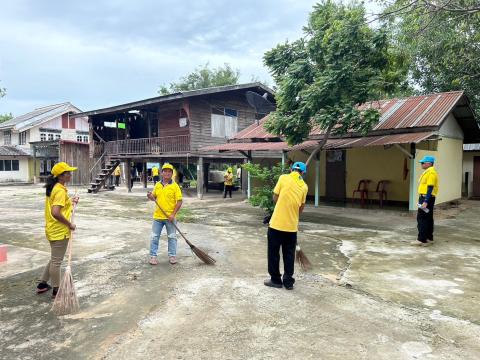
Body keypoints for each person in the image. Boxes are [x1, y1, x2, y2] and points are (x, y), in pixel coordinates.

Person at [36, 162, 79, 299]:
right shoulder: (60, 190)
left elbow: (58, 205)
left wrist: (70, 201)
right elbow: (56, 212)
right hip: (59, 230)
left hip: (52, 229)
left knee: (55, 258)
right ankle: (57, 290)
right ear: (61, 176)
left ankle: (42, 284)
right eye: (68, 173)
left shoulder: (55, 187)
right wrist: (69, 224)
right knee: (56, 262)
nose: (70, 175)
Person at [264, 162, 308, 290]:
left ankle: (276, 280)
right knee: (289, 254)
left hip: (276, 224)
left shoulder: (283, 178)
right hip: (291, 227)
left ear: (291, 169)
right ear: (303, 173)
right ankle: (288, 282)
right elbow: (301, 208)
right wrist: (292, 214)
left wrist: (282, 206)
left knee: (273, 253)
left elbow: (275, 197)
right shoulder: (304, 187)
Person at [147, 163, 183, 265]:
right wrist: (149, 196)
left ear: (172, 174)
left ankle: (172, 256)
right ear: (161, 173)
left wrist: (173, 214)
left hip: (170, 218)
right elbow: (153, 197)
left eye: (169, 171)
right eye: (165, 171)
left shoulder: (175, 186)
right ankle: (153, 257)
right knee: (154, 237)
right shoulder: (157, 185)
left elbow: (179, 201)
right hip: (158, 217)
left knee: (172, 237)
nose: (167, 173)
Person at [416, 155, 439, 245]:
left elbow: (430, 187)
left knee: (422, 218)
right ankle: (429, 237)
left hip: (426, 198)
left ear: (429, 163)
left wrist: (425, 201)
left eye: (423, 163)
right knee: (428, 218)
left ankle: (421, 239)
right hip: (426, 197)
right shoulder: (428, 172)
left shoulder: (431, 173)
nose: (421, 164)